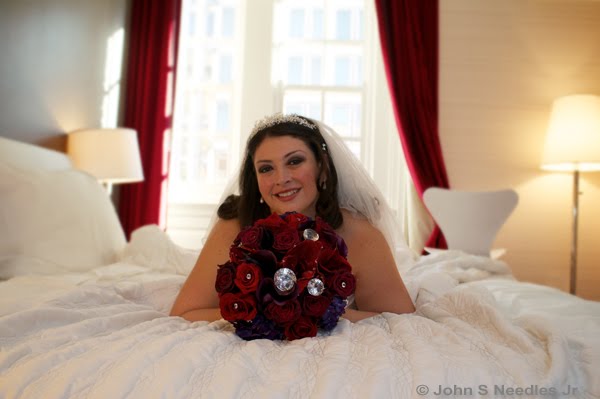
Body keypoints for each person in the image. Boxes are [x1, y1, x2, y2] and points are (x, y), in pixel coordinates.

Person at [170, 113, 415, 323]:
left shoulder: (360, 234)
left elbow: (399, 321)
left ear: (322, 165)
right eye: (266, 168)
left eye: (295, 161)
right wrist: (260, 313)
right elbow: (184, 313)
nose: (281, 178)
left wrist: (318, 313)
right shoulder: (235, 227)